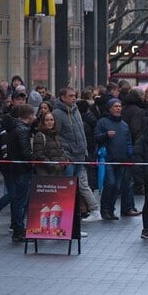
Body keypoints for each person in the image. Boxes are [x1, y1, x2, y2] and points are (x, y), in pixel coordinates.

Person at [53, 87, 102, 222]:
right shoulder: (57, 113)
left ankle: (73, 220)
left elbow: (81, 132)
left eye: (75, 95)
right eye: (70, 96)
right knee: (66, 190)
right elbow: (56, 136)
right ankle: (65, 220)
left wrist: (84, 150)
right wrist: (64, 155)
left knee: (77, 188)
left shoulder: (75, 110)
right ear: (63, 97)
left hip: (80, 156)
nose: (74, 98)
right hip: (69, 157)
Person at [95, 99, 138, 221]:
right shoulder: (103, 122)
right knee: (110, 183)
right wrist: (105, 135)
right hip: (108, 158)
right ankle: (105, 209)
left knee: (117, 186)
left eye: (120, 106)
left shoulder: (124, 124)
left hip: (122, 160)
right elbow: (96, 137)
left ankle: (111, 209)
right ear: (109, 108)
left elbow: (129, 140)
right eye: (115, 106)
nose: (118, 108)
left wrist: (130, 152)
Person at [6, 104, 36, 243]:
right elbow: (25, 152)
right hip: (22, 169)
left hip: (16, 168)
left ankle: (18, 228)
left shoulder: (14, 128)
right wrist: (34, 159)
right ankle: (19, 230)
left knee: (19, 200)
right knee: (21, 201)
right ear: (29, 116)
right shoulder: (23, 130)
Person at [31, 111, 67, 177]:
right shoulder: (40, 135)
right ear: (43, 122)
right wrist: (52, 165)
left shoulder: (56, 135)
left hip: (58, 172)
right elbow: (39, 154)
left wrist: (63, 163)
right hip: (45, 173)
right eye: (47, 120)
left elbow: (61, 151)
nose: (49, 122)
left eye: (51, 120)